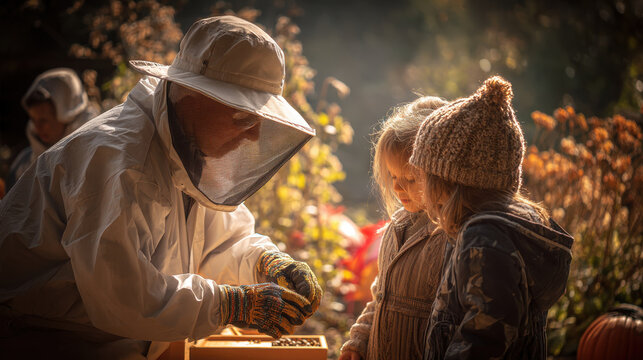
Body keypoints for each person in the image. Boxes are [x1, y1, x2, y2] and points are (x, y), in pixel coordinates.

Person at [0, 16, 322, 359]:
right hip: (46, 338)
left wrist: (265, 263)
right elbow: (123, 296)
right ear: (190, 95)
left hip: (111, 334)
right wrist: (232, 305)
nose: (254, 135)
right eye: (244, 118)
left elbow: (218, 243)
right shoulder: (117, 163)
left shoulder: (187, 148)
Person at [409, 76, 574, 359]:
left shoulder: (485, 241)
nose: (419, 180)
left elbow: (482, 340)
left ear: (449, 181)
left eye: (425, 172)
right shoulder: (495, 230)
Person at [339, 96, 449, 360]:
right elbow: (381, 297)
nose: (398, 188)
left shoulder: (449, 235)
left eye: (410, 179)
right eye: (393, 177)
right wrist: (359, 340)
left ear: (442, 173)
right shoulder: (396, 228)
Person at [5, 68, 99, 191]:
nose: (37, 127)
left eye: (44, 120)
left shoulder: (96, 158)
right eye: (33, 120)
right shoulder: (23, 167)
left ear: (68, 116)